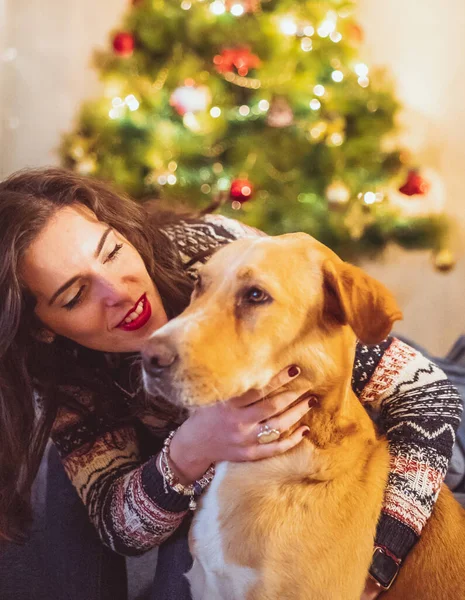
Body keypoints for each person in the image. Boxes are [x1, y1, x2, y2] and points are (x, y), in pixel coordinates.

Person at [0, 167, 462, 600]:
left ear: (123, 230)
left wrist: (386, 546)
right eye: (76, 294)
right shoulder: (65, 376)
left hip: (371, 417)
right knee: (68, 486)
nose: (119, 292)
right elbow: (118, 527)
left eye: (112, 250)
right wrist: (193, 448)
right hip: (193, 472)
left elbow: (427, 393)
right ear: (41, 326)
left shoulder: (223, 256)